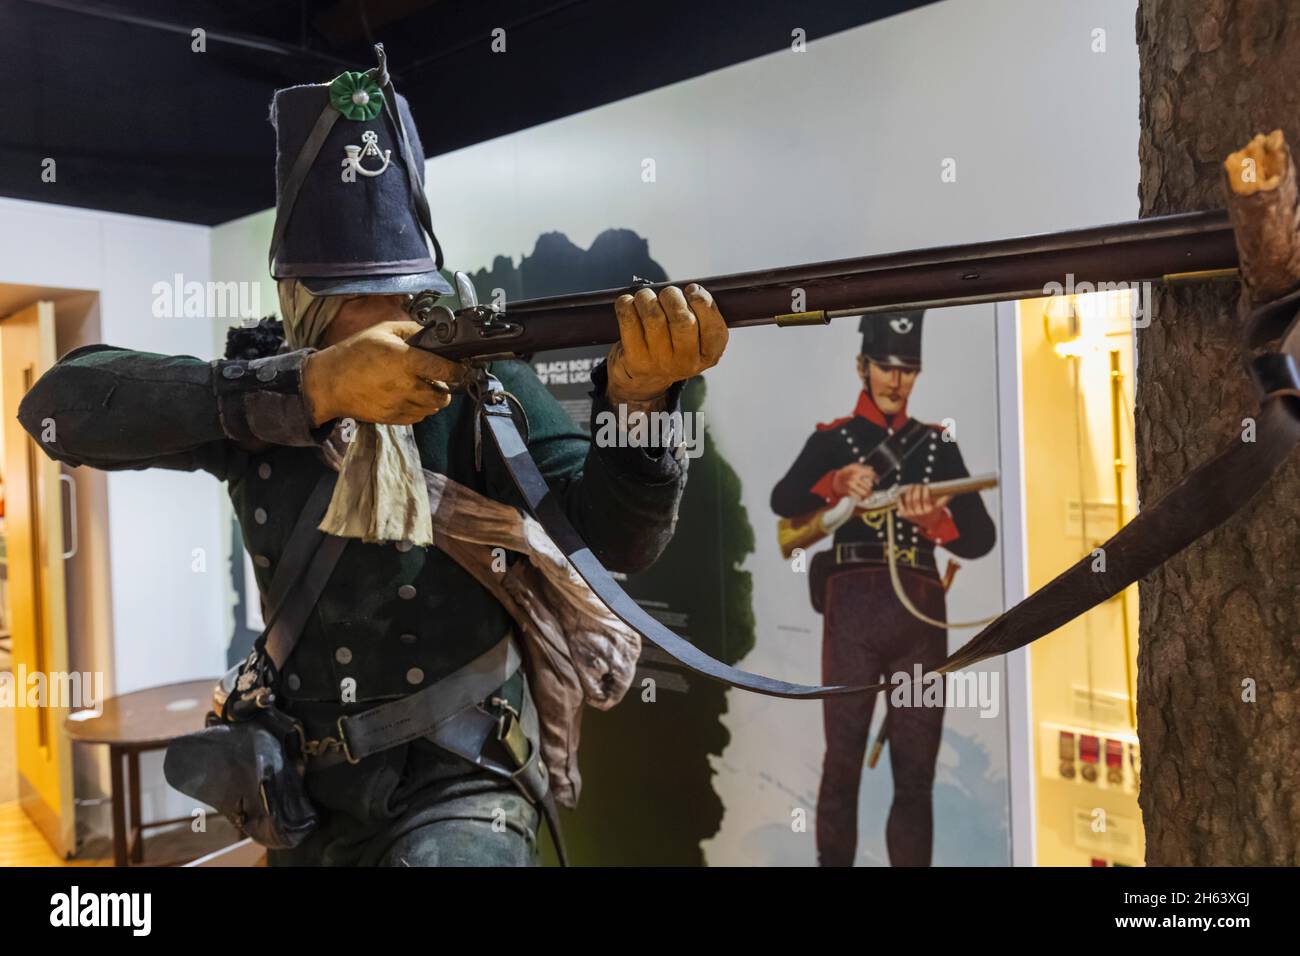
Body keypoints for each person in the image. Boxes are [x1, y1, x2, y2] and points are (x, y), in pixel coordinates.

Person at [18, 50, 727, 866]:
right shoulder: (264, 391)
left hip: (464, 777)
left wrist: (640, 402)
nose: (394, 317)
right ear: (305, 308)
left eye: (408, 291)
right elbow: (58, 409)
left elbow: (615, 544)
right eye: (359, 296)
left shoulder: (484, 385)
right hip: (301, 795)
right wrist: (314, 387)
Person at [770, 311, 995, 867]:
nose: (897, 380)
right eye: (886, 367)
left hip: (921, 615)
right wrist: (835, 483)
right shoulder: (832, 441)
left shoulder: (938, 445)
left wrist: (936, 521)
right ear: (862, 366)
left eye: (909, 369)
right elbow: (783, 501)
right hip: (853, 610)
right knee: (842, 763)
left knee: (916, 775)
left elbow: (981, 539)